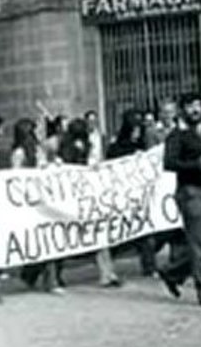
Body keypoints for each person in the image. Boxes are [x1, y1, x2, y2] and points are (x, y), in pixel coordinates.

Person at [158, 93, 201, 308]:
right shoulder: (177, 136)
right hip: (190, 191)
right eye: (190, 106)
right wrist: (197, 164)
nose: (195, 110)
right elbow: (169, 163)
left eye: (198, 106)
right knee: (199, 243)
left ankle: (173, 272)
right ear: (182, 110)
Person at [60, 117, 122, 288]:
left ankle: (107, 273)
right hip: (73, 198)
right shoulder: (66, 149)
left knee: (100, 233)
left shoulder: (86, 146)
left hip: (89, 197)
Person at [13, 118, 64, 294]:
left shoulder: (39, 150)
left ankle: (43, 277)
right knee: (42, 240)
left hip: (43, 200)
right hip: (30, 202)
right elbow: (15, 176)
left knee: (48, 239)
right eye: (35, 130)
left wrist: (54, 165)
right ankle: (45, 279)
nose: (38, 134)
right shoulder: (19, 153)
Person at [106, 110, 154, 277]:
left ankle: (149, 266)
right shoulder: (116, 147)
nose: (137, 133)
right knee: (118, 233)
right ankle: (107, 267)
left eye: (139, 129)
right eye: (134, 129)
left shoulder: (141, 147)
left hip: (140, 195)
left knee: (145, 231)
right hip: (123, 195)